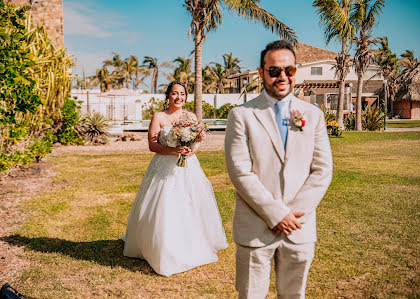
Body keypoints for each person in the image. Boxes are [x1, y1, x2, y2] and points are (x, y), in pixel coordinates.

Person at [225, 40, 333, 298]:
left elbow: (322, 170)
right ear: (261, 73)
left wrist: (293, 215)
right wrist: (276, 214)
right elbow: (239, 171)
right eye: (274, 71)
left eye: (289, 70)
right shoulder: (241, 115)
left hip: (299, 228)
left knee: (294, 295)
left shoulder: (313, 114)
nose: (282, 77)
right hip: (256, 229)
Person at [122, 81, 228, 277]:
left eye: (182, 94)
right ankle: (160, 247)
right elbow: (152, 145)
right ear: (168, 96)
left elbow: (197, 141)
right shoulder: (159, 117)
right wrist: (173, 150)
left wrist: (190, 151)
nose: (179, 97)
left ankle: (192, 242)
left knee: (191, 204)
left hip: (188, 166)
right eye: (174, 93)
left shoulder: (191, 116)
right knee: (165, 205)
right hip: (163, 167)